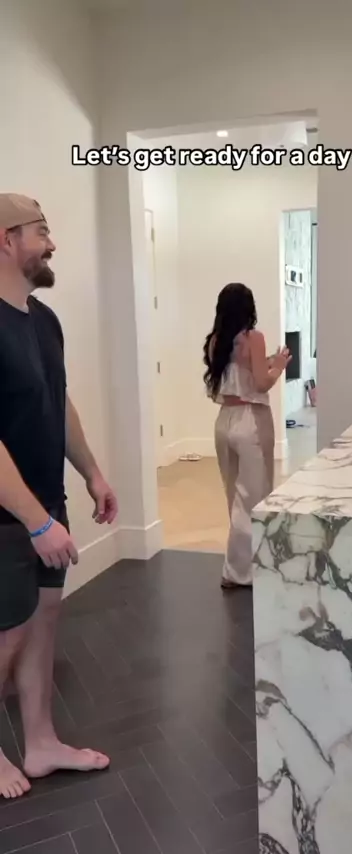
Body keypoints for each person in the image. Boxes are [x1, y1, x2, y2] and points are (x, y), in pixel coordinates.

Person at [0, 194, 118, 799]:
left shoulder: (43, 319)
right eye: (41, 231)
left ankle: (42, 742)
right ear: (6, 240)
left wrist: (92, 472)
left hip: (47, 500)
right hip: (6, 515)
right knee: (8, 633)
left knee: (44, 622)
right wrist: (35, 521)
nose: (51, 243)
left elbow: (58, 398)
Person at [203, 283, 290, 589]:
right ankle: (239, 571)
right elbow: (262, 383)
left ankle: (246, 564)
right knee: (255, 497)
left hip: (224, 421)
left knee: (235, 497)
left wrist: (267, 363)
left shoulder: (216, 341)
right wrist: (279, 366)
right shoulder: (253, 338)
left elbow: (240, 374)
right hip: (251, 420)